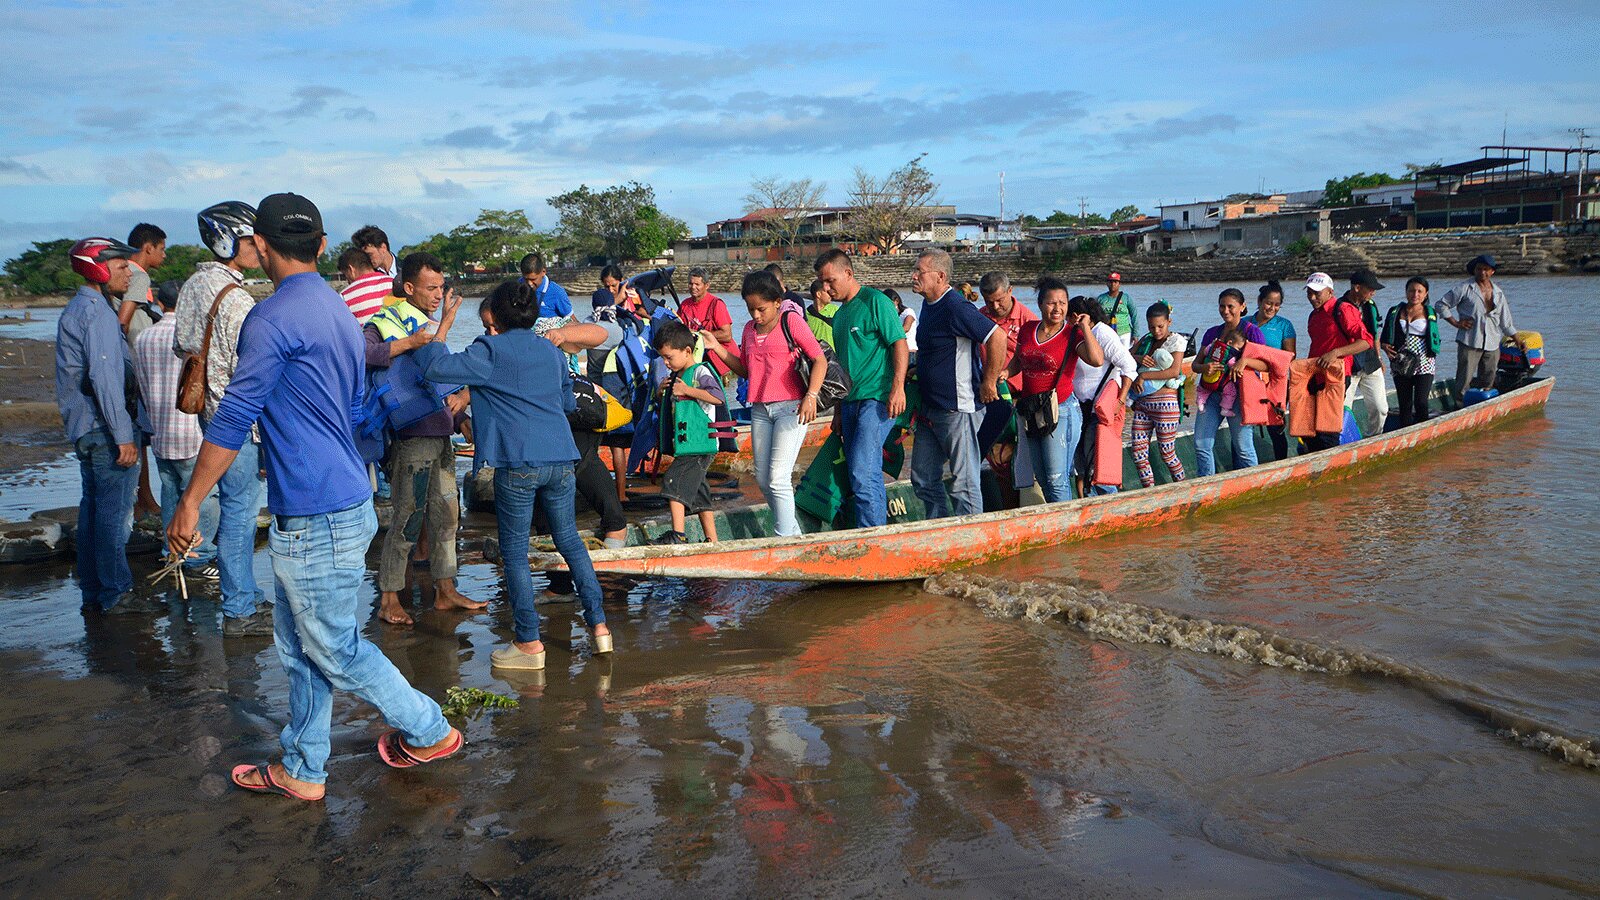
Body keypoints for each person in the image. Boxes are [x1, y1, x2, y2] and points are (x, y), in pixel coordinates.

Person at [166, 193, 462, 802]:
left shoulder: (270, 318)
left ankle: (430, 729)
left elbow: (234, 416)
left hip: (315, 509)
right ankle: (303, 766)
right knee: (299, 645)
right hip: (344, 494)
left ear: (263, 247)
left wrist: (192, 500)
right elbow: (356, 404)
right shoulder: (338, 309)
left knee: (333, 647)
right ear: (324, 248)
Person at [417, 278, 612, 669]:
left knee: (515, 553)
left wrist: (443, 326)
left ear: (497, 318)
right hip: (560, 458)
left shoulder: (488, 348)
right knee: (570, 542)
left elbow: (436, 368)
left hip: (519, 462)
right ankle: (600, 628)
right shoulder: (551, 351)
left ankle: (528, 643)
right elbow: (565, 403)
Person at [363, 252, 481, 625]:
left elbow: (440, 380)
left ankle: (446, 589)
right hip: (410, 437)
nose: (437, 294)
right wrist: (410, 343)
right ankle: (388, 598)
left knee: (447, 514)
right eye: (430, 288)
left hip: (438, 433)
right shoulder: (385, 323)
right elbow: (362, 354)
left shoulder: (427, 325)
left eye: (441, 287)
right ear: (409, 287)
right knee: (407, 518)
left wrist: (460, 417)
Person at [172, 201, 271, 636]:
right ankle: (240, 608)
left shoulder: (194, 284)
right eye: (251, 241)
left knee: (235, 508)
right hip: (236, 420)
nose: (258, 248)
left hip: (206, 415)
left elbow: (182, 346)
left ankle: (242, 598)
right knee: (240, 512)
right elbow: (251, 365)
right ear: (228, 241)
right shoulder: (237, 297)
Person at [57, 237, 149, 614]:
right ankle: (116, 594)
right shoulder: (98, 313)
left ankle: (94, 592)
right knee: (112, 518)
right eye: (121, 266)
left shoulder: (80, 307)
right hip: (105, 429)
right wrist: (124, 437)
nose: (129, 272)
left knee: (93, 514)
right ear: (98, 268)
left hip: (86, 428)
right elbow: (105, 378)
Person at [699, 271, 827, 537]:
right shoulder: (748, 330)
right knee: (762, 479)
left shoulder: (791, 321)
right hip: (760, 409)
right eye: (750, 309)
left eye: (761, 309)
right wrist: (717, 347)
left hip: (791, 407)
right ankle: (793, 533)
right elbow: (746, 370)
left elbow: (819, 360)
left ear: (777, 301)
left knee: (779, 478)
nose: (756, 315)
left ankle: (783, 538)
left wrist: (811, 396)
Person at [908, 249, 1007, 518]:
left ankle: (973, 535)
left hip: (958, 409)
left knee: (963, 483)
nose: (913, 275)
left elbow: (997, 337)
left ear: (940, 277)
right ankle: (940, 526)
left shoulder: (955, 306)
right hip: (930, 410)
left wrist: (989, 381)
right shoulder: (929, 305)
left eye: (920, 271)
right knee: (923, 478)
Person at [814, 248, 907, 527]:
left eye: (831, 281)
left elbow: (899, 344)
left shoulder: (874, 301)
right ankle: (872, 530)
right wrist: (838, 412)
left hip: (876, 399)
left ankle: (873, 536)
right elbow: (842, 369)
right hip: (851, 403)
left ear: (848, 273)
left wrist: (898, 387)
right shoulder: (840, 316)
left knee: (862, 471)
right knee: (862, 472)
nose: (826, 288)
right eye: (822, 282)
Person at [134, 278, 219, 579]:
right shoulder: (190, 338)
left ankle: (172, 553)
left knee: (171, 493)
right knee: (203, 498)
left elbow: (141, 386)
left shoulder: (143, 338)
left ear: (160, 302)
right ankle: (199, 557)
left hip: (160, 432)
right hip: (190, 433)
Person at [1009, 277, 1103, 502]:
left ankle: (1066, 529)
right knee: (1041, 477)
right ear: (1041, 305)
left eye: (1063, 303)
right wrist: (1002, 373)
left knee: (1056, 478)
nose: (1058, 308)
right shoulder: (1027, 329)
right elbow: (1019, 360)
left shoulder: (1072, 334)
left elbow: (1097, 359)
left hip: (1061, 411)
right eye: (1052, 303)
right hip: (1032, 410)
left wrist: (1085, 328)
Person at [650, 321, 724, 544]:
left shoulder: (700, 372)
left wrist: (687, 390)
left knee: (673, 482)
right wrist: (660, 393)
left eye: (669, 357)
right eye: (662, 357)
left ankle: (678, 535)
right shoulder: (675, 377)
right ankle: (712, 539)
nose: (665, 362)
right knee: (700, 492)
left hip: (700, 444)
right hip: (688, 444)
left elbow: (718, 396)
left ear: (687, 351)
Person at [1192, 288, 1268, 477]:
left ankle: (1254, 484)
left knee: (1243, 447)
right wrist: (1204, 368)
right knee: (1202, 444)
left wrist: (1245, 361)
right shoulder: (1212, 333)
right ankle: (1206, 485)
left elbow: (1266, 365)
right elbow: (1195, 364)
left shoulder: (1252, 332)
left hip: (1239, 396)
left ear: (1242, 307)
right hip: (1211, 394)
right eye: (1222, 306)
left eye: (1231, 307)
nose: (1226, 311)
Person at [1069, 297, 1137, 495]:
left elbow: (1129, 365)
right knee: (1081, 462)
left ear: (1076, 316)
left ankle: (1107, 503)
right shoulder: (1078, 335)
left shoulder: (1102, 333)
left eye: (1068, 319)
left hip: (1099, 408)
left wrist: (1120, 400)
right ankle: (1085, 502)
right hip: (1081, 407)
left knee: (1098, 462)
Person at [1302, 272, 1372, 451]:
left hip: (1336, 377)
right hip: (1315, 375)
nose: (1312, 297)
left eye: (1317, 293)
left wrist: (1336, 353)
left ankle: (1329, 464)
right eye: (1309, 292)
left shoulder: (1343, 310)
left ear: (1330, 292)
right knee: (1308, 428)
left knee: (1327, 429)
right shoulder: (1314, 315)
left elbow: (1366, 341)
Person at [1439, 254, 1516, 404]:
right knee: (1464, 380)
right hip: (1469, 340)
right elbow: (1441, 305)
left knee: (1488, 380)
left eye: (1486, 269)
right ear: (1474, 270)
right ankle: (1459, 408)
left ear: (1492, 271)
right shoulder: (1464, 288)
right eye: (1479, 269)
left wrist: (1517, 339)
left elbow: (1505, 322)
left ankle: (1484, 407)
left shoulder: (1498, 293)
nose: (1482, 273)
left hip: (1492, 342)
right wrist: (1456, 323)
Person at [976, 271, 1038, 456]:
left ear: (1010, 291)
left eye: (1000, 300)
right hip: (989, 397)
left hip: (1019, 398)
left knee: (1020, 458)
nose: (995, 307)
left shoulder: (1029, 321)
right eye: (988, 301)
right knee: (995, 455)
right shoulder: (979, 317)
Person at [1128, 302, 1189, 487]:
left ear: (1169, 322)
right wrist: (1138, 358)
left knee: (1167, 452)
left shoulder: (1176, 341)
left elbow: (1173, 371)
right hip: (1143, 405)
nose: (1156, 331)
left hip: (1165, 404)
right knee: (1138, 453)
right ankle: (1149, 491)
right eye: (1152, 326)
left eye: (1160, 326)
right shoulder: (1146, 340)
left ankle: (1182, 488)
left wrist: (1143, 375)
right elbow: (1126, 356)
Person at [1380, 276, 1440, 429]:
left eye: (1420, 291)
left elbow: (1434, 337)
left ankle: (1424, 432)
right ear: (1406, 292)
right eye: (1412, 290)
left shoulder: (1429, 313)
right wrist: (1385, 348)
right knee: (1405, 403)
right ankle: (1405, 433)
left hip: (1425, 361)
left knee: (1421, 402)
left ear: (1426, 294)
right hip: (1401, 361)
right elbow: (1384, 337)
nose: (1415, 294)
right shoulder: (1395, 311)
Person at [1250, 281, 1297, 460]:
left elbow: (1289, 358)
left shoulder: (1285, 325)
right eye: (1269, 303)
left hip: (1275, 384)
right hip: (1249, 383)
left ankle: (1281, 463)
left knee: (1275, 427)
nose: (1272, 308)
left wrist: (1287, 392)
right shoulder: (1245, 323)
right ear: (1260, 301)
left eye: (1277, 305)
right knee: (1244, 425)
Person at [1341, 270, 1389, 437]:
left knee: (1381, 408)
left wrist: (1379, 357)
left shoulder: (1370, 305)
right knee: (1343, 410)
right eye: (1370, 289)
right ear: (1357, 287)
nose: (1373, 292)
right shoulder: (1340, 307)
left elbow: (1374, 334)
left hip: (1370, 361)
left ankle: (1373, 437)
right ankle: (1344, 441)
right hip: (1349, 365)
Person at [678, 267, 736, 377]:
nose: (693, 287)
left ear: (707, 285)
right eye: (690, 284)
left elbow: (727, 335)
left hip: (721, 362)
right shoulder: (684, 305)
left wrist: (697, 335)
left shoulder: (716, 304)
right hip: (698, 360)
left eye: (697, 284)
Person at [118, 223, 167, 349]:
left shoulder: (123, 270)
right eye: (162, 249)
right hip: (133, 353)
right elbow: (123, 322)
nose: (164, 255)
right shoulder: (139, 276)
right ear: (149, 248)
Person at [338, 246, 391, 325]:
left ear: (351, 269)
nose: (347, 281)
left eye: (345, 275)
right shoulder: (392, 282)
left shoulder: (344, 296)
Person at [520, 251, 573, 318]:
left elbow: (573, 321)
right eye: (526, 279)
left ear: (543, 272)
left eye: (533, 279)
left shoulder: (557, 292)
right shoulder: (518, 286)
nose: (529, 283)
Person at [1096, 272, 1140, 347]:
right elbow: (1095, 316)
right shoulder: (1101, 298)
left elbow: (1134, 315)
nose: (1113, 284)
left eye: (1115, 282)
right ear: (1107, 283)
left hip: (1124, 332)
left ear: (1119, 284)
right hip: (1107, 332)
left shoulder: (1126, 298)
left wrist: (1135, 334)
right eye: (1111, 282)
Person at [804, 278, 839, 350]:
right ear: (818, 294)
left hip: (834, 358)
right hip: (817, 357)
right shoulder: (804, 316)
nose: (831, 294)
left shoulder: (836, 310)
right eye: (827, 292)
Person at [886, 288, 918, 356]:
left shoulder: (908, 312)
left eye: (889, 303)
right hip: (897, 351)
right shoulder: (892, 316)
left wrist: (889, 335)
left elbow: (906, 328)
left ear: (896, 301)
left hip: (910, 351)